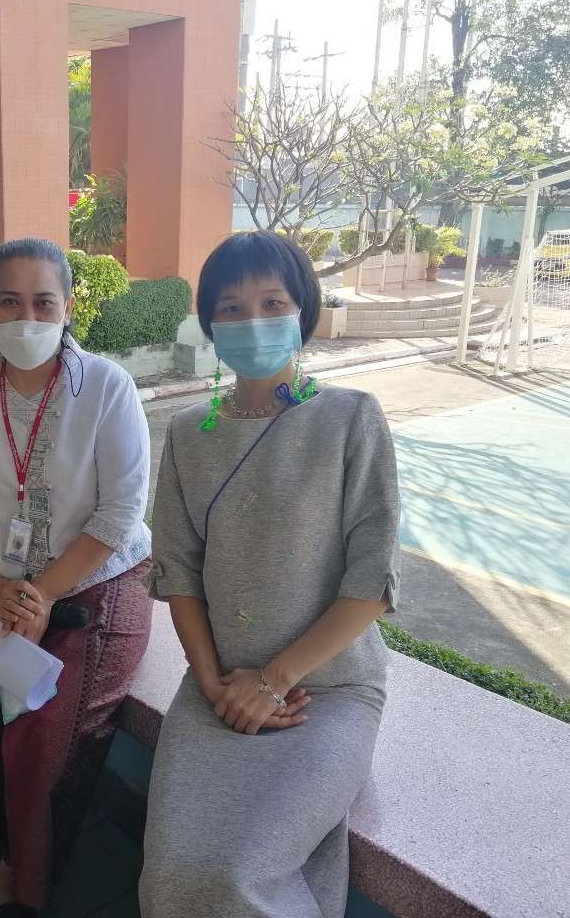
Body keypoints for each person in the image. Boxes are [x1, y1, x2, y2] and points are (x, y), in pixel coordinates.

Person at [137, 230, 401, 918]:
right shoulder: (190, 432)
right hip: (218, 685)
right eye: (231, 308)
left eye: (272, 302)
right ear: (210, 323)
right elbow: (178, 573)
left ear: (302, 310)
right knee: (171, 869)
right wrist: (213, 684)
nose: (252, 321)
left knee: (238, 874)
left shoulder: (351, 418)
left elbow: (372, 581)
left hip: (329, 691)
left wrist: (273, 679)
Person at [0, 238, 152, 918]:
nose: (27, 318)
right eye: (9, 302)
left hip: (99, 580)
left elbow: (121, 511)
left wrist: (46, 593)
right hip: (0, 579)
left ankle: (20, 876)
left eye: (43, 302)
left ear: (68, 306)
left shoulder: (106, 386)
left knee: (45, 738)